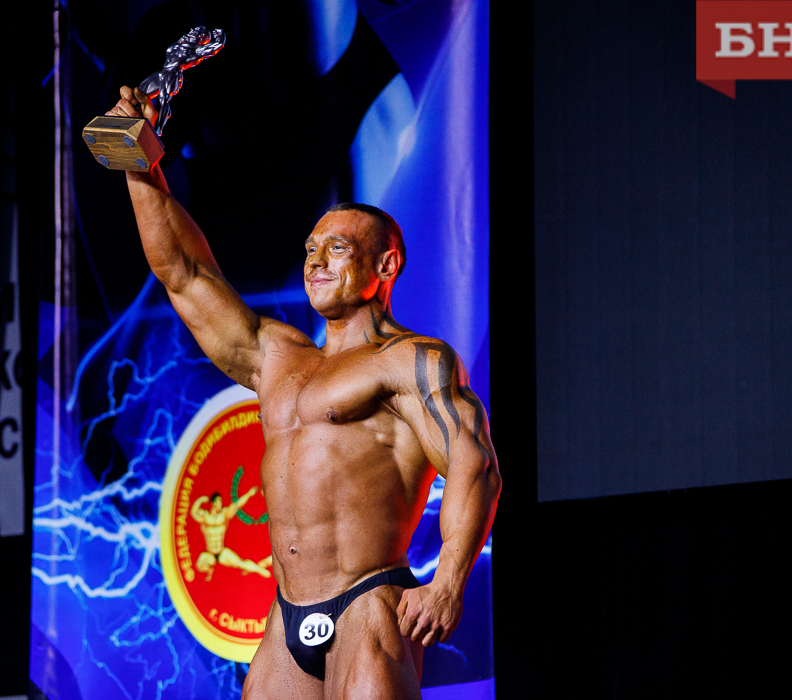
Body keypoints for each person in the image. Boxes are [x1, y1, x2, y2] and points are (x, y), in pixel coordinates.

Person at [108, 86, 500, 700]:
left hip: (369, 601)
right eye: (311, 250)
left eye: (337, 249)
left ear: (386, 266)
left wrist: (448, 579)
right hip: (286, 612)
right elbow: (183, 274)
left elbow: (475, 463)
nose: (315, 262)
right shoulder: (277, 357)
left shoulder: (411, 362)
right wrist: (139, 163)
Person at [191, 488, 273, 580]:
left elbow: (237, 504)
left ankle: (260, 570)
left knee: (240, 563)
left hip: (221, 552)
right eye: (219, 501)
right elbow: (193, 512)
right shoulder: (205, 516)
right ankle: (209, 569)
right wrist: (201, 500)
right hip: (209, 554)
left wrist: (249, 494)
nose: (221, 504)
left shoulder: (224, 514)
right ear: (214, 503)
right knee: (199, 565)